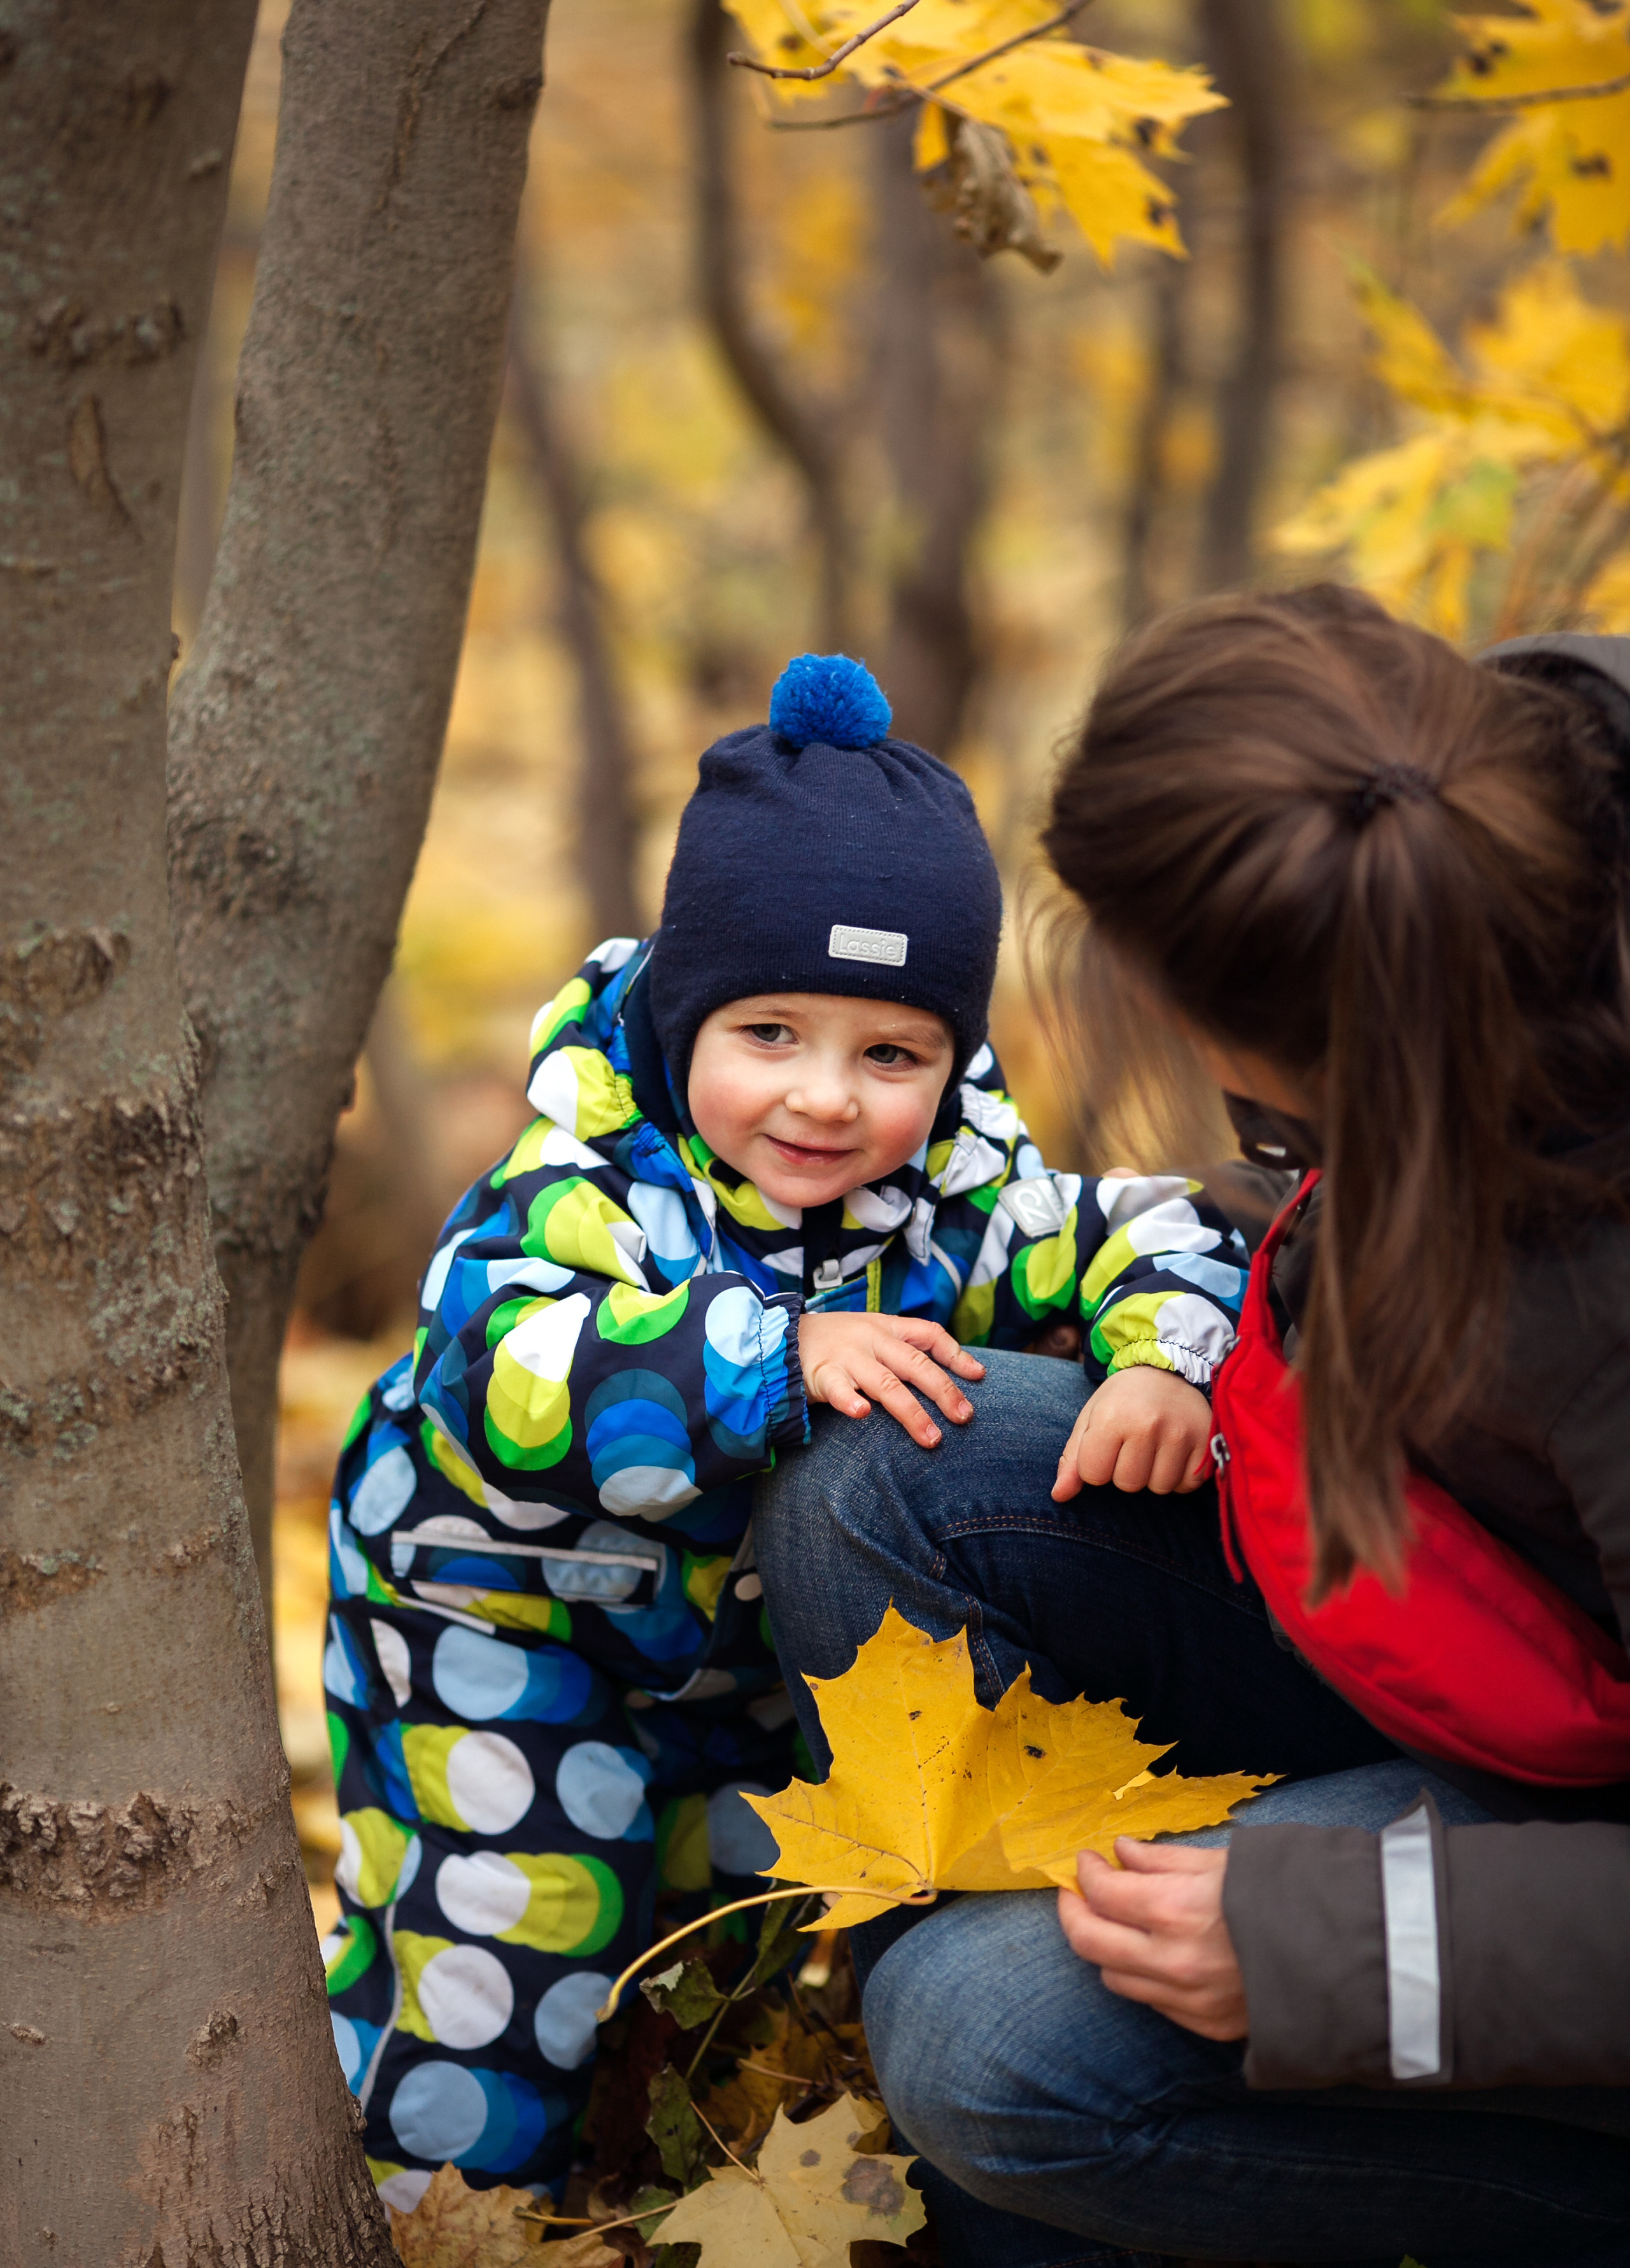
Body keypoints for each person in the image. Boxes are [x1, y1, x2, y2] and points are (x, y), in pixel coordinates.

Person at [755, 589, 1630, 2268]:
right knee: (877, 1479)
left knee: (984, 2043)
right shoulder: (1476, 811)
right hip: (1469, 1599)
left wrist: (1352, 1949)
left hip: (1571, 1845)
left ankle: (1092, 2139)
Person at [319, 652, 1247, 2208]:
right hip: (496, 1634)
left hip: (732, 1665)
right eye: (769, 1032)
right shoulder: (586, 1185)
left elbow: (1154, 1225)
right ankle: (436, 2217)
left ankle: (656, 2180)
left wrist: (1161, 1359)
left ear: (947, 1063)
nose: (824, 1098)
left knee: (721, 1947)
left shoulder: (965, 1192)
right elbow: (510, 1374)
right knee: (497, 1953)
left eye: (889, 1054)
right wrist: (768, 1357)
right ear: (687, 1010)